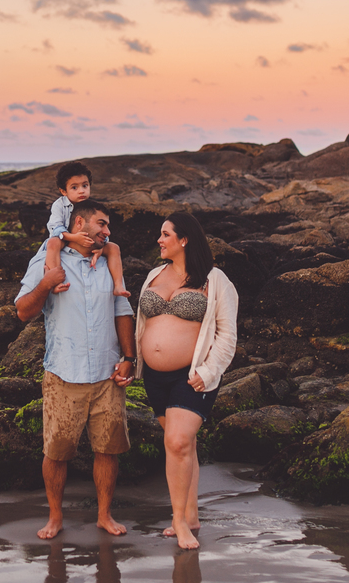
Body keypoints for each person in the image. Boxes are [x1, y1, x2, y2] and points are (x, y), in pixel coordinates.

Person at [15, 198, 137, 540]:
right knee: (56, 453)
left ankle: (104, 516)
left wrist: (130, 358)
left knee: (108, 450)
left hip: (107, 374)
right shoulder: (47, 259)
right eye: (102, 224)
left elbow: (121, 307)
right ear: (80, 224)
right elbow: (23, 311)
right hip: (63, 374)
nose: (107, 232)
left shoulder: (108, 262)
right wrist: (46, 282)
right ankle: (55, 517)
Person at [134, 212, 238, 549]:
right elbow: (141, 324)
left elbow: (227, 336)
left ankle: (179, 522)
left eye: (165, 234)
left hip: (192, 376)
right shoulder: (154, 274)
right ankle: (191, 514)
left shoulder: (215, 280)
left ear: (184, 239)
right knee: (183, 446)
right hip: (154, 378)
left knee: (177, 443)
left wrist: (207, 373)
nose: (159, 240)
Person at [42, 162, 129, 297]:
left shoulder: (91, 207)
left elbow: (101, 230)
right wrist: (73, 237)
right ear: (64, 191)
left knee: (113, 248)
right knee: (52, 243)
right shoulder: (59, 205)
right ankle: (56, 282)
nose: (81, 191)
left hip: (87, 242)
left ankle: (118, 285)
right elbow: (56, 228)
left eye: (85, 185)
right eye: (74, 187)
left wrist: (101, 247)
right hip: (64, 239)